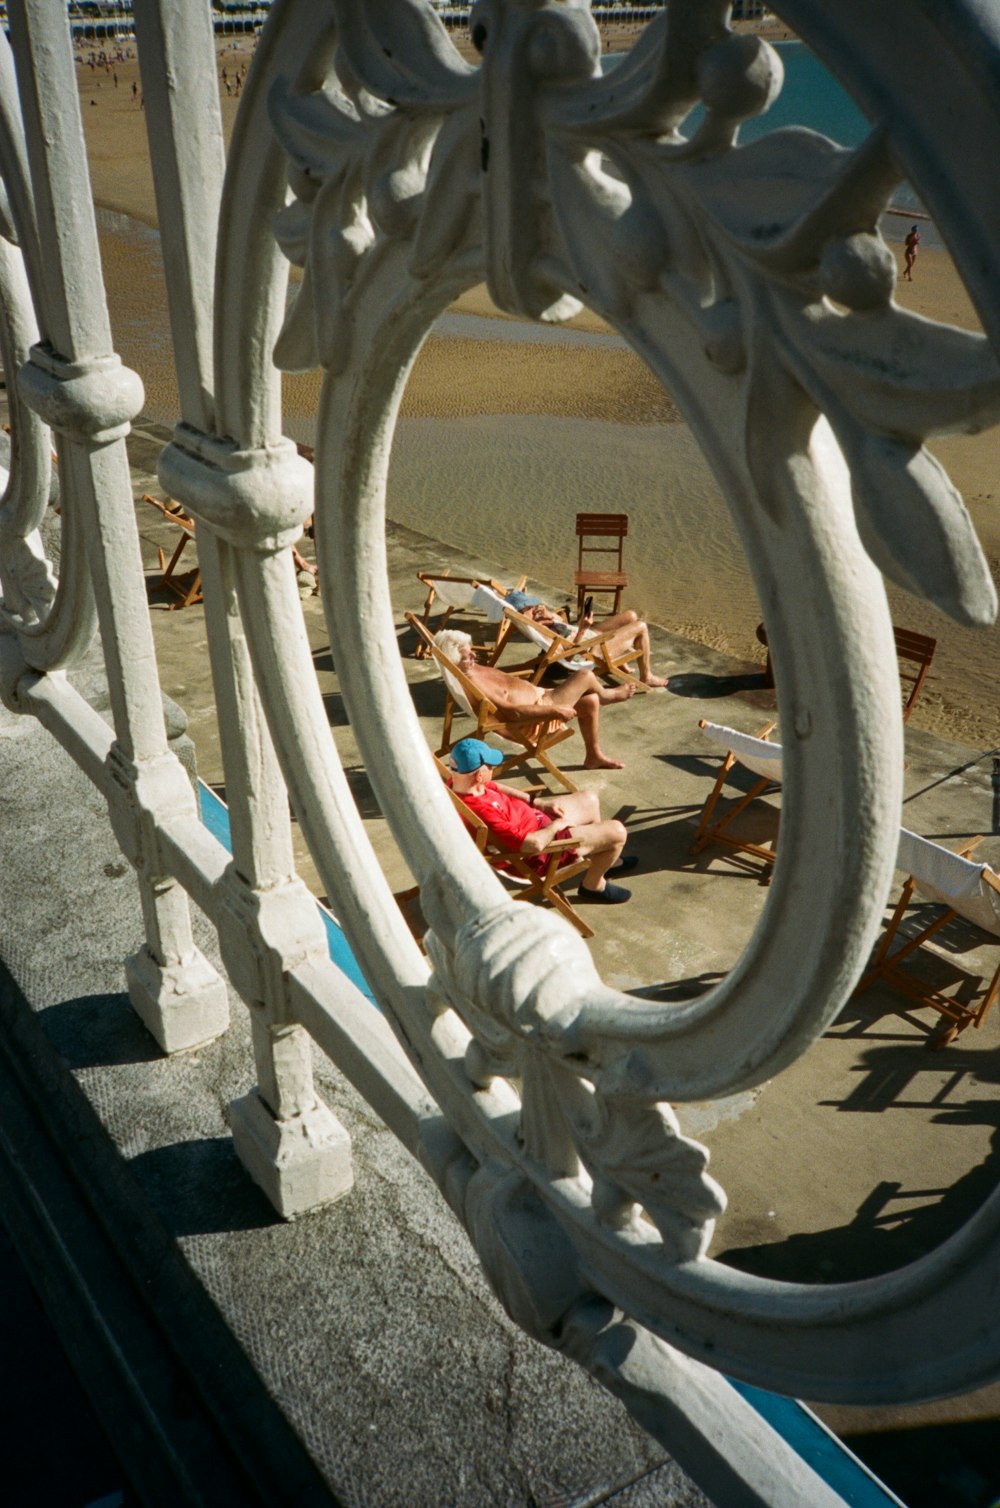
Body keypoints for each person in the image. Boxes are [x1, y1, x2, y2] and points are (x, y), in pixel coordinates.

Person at [448, 737, 636, 903]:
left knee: (589, 799)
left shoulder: (457, 783)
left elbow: (494, 786)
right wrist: (556, 825)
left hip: (538, 821)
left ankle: (605, 860)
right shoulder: (484, 813)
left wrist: (537, 803)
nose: (493, 768)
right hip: (541, 853)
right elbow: (533, 845)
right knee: (617, 832)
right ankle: (593, 885)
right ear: (479, 775)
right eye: (490, 766)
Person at [434, 627, 635, 770]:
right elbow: (514, 713)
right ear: (453, 663)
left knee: (590, 701)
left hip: (540, 696)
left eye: (472, 652)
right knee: (585, 676)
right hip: (534, 719)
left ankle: (593, 756)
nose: (474, 658)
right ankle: (608, 695)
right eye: (467, 657)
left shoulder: (466, 671)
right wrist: (554, 710)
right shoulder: (475, 685)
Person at [520, 600, 668, 687]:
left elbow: (568, 630)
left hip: (590, 637)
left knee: (631, 615)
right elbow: (569, 656)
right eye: (533, 611)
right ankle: (646, 676)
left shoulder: (546, 623)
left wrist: (579, 622)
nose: (536, 609)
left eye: (535, 607)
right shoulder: (546, 636)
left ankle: (619, 658)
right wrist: (583, 629)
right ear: (530, 620)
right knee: (640, 626)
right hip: (591, 650)